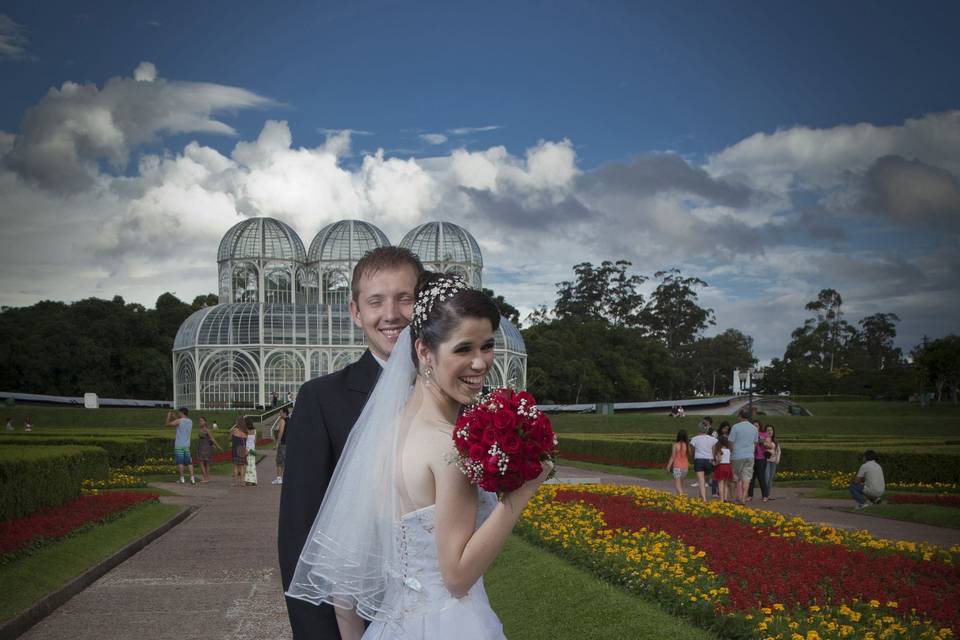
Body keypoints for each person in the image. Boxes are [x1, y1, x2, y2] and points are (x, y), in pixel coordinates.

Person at [287, 273, 551, 639]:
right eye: (463, 349)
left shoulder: (382, 432)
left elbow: (344, 592)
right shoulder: (448, 448)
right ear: (425, 351)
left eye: (487, 346)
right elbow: (457, 577)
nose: (480, 363)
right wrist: (523, 492)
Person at [279, 246, 425, 639]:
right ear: (356, 311)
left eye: (405, 298)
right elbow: (299, 532)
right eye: (376, 301)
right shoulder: (321, 399)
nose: (391, 314)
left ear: (423, 304)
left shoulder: (457, 399)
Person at [728, 409, 758, 504]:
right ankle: (743, 498)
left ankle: (734, 498)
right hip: (749, 455)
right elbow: (755, 442)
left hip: (737, 455)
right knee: (746, 478)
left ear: (740, 416)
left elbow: (731, 442)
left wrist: (730, 455)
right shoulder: (754, 428)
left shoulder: (735, 427)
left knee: (734, 477)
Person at [165, 408, 195, 485]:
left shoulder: (179, 421)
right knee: (189, 463)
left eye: (179, 413)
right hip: (187, 445)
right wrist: (175, 417)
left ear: (182, 413)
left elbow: (167, 424)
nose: (178, 414)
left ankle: (182, 479)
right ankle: (192, 478)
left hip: (179, 445)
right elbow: (182, 423)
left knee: (180, 462)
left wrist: (168, 416)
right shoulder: (190, 421)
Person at [690, 426, 718, 501]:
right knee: (704, 479)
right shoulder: (713, 439)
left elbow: (692, 451)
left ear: (698, 430)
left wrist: (693, 458)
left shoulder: (694, 439)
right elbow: (714, 451)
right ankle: (700, 496)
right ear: (706, 430)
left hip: (699, 460)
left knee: (701, 480)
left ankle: (704, 498)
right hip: (709, 460)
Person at [747, 421, 772, 503]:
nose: (755, 427)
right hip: (751, 458)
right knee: (751, 478)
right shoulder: (749, 435)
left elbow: (770, 445)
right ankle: (750, 495)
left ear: (759, 427)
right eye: (753, 426)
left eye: (756, 426)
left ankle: (765, 496)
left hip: (761, 459)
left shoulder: (764, 434)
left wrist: (762, 441)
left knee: (761, 477)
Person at [196, 417, 222, 483]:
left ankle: (205, 478)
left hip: (205, 448)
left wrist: (217, 446)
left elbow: (212, 439)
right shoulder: (201, 429)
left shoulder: (207, 430)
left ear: (205, 422)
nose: (200, 422)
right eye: (199, 421)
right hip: (202, 447)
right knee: (206, 463)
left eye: (201, 421)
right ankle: (207, 478)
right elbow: (209, 439)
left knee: (202, 463)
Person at [666, 430, 690, 495]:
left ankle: (683, 499)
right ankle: (679, 500)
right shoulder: (687, 445)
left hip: (677, 467)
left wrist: (668, 466)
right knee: (681, 485)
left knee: (677, 486)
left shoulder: (676, 445)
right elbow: (689, 455)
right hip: (685, 467)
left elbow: (673, 457)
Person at [712, 434, 734, 502]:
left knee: (720, 484)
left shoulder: (719, 450)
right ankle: (725, 498)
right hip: (728, 466)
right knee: (726, 484)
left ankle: (721, 500)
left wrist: (714, 464)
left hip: (721, 467)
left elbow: (719, 460)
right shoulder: (728, 450)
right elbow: (730, 460)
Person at [272, 407, 289, 485]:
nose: (279, 414)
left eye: (280, 412)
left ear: (284, 413)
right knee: (284, 461)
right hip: (288, 443)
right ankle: (282, 478)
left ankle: (279, 478)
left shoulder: (282, 420)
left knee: (279, 460)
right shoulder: (290, 420)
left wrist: (277, 442)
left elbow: (281, 431)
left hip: (282, 443)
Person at [764, 424, 781, 497]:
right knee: (766, 477)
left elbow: (778, 451)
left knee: (770, 478)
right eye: (768, 430)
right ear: (765, 431)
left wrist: (777, 459)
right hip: (766, 461)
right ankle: (765, 494)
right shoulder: (763, 440)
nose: (769, 431)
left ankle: (768, 495)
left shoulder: (775, 441)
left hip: (773, 461)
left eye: (771, 430)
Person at [230, 417, 247, 488]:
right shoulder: (245, 433)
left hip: (235, 449)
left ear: (237, 422)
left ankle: (235, 482)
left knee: (235, 467)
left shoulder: (234, 430)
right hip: (242, 450)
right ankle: (242, 482)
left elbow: (230, 437)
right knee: (242, 467)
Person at [244, 418, 258, 486]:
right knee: (252, 465)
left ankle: (248, 480)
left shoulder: (245, 431)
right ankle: (254, 480)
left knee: (247, 465)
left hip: (247, 449)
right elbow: (255, 441)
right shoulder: (254, 430)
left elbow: (244, 441)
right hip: (252, 449)